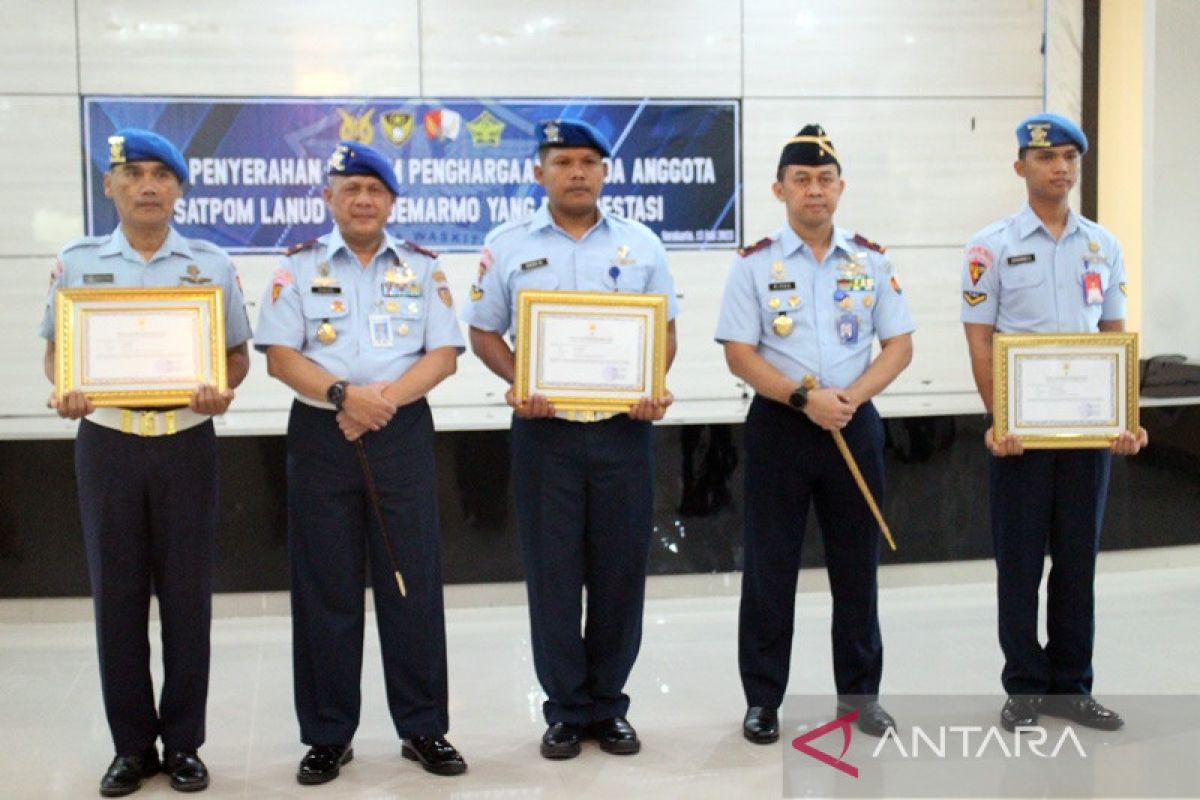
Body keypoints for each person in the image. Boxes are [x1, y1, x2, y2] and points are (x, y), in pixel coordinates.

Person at [41, 128, 252, 796]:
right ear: (110, 185)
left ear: (180, 190)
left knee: (188, 599)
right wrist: (64, 386)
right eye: (133, 174)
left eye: (163, 174)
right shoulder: (76, 262)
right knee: (118, 597)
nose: (148, 185)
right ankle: (132, 747)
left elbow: (238, 353)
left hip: (188, 440)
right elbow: (56, 350)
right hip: (106, 443)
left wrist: (224, 388)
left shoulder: (212, 265)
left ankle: (184, 743)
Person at [463, 118, 678, 759]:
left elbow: (664, 332)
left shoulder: (642, 245)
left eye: (588, 161)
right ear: (539, 172)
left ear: (605, 172)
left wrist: (650, 383)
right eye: (563, 162)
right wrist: (518, 379)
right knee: (552, 573)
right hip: (543, 434)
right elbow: (483, 334)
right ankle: (564, 708)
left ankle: (608, 705)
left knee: (619, 574)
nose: (577, 172)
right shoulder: (505, 246)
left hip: (624, 433)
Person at [254, 141, 467, 782]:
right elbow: (280, 355)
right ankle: (327, 735)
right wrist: (346, 396)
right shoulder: (297, 266)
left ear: (392, 201)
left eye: (375, 190)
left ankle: (424, 728)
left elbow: (444, 353)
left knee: (413, 584)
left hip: (399, 432)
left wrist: (378, 404)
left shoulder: (424, 268)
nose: (364, 199)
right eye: (351, 189)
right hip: (322, 433)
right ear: (330, 198)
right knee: (326, 588)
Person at [715, 124, 914, 744]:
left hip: (853, 424)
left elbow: (900, 346)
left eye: (825, 179)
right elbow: (740, 353)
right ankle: (763, 701)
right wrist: (804, 398)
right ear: (780, 189)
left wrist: (850, 397)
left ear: (841, 187)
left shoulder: (871, 260)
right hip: (781, 427)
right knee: (770, 571)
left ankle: (860, 699)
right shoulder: (754, 265)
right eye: (801, 179)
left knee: (857, 570)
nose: (814, 190)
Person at [961, 113, 1148, 733]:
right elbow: (981, 341)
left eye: (1070, 156)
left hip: (1088, 433)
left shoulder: (1103, 244)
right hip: (1021, 436)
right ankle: (1024, 686)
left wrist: (1126, 417)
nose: (1060, 168)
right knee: (1019, 563)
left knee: (1077, 562)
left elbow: (1113, 335)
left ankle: (1073, 686)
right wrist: (997, 420)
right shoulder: (989, 246)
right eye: (1045, 158)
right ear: (1021, 167)